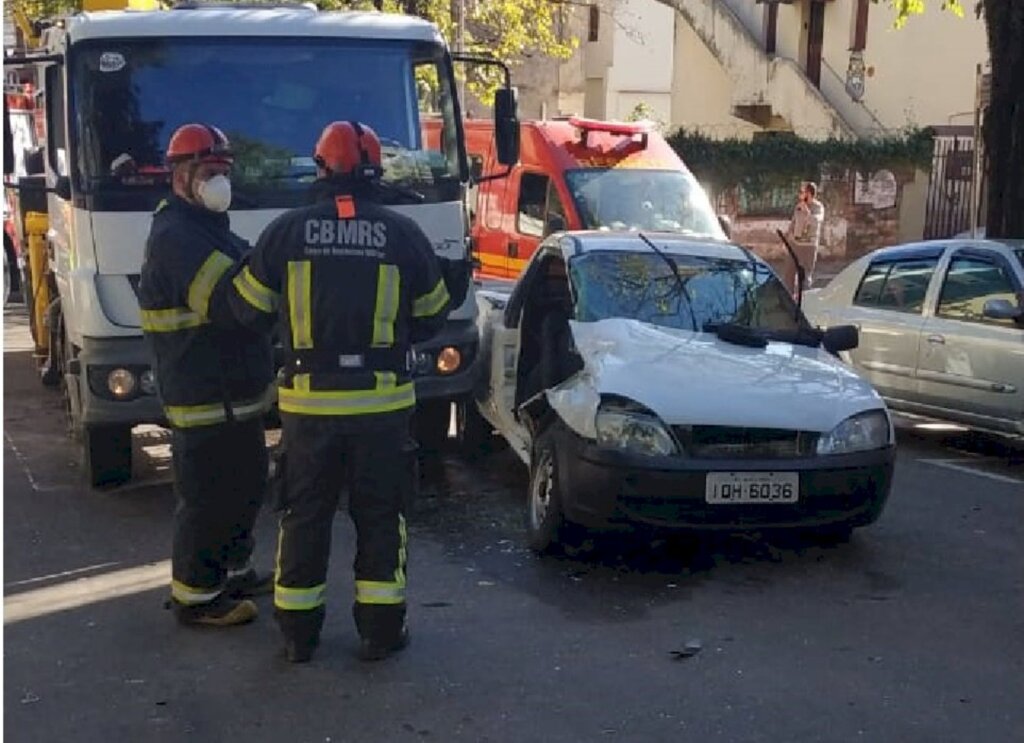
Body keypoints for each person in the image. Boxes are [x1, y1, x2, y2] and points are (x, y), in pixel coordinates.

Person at [227, 121, 451, 663]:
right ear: (375, 170)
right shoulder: (402, 234)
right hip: (383, 409)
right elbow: (432, 314)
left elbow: (245, 310)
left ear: (321, 168)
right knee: (381, 519)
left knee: (304, 519)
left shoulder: (287, 231)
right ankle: (379, 633)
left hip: (309, 409)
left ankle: (298, 637)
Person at [138, 123, 275, 627]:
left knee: (245, 486)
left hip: (231, 392)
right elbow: (228, 303)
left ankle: (233, 571)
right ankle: (196, 597)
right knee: (208, 498)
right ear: (180, 174)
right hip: (201, 391)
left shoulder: (205, 228)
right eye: (209, 171)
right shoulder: (178, 236)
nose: (219, 180)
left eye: (223, 170)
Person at [783, 181, 825, 294]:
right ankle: (789, 300)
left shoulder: (818, 207)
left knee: (805, 277)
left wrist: (806, 210)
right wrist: (788, 235)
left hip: (808, 247)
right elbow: (794, 221)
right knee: (788, 274)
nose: (799, 194)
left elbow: (816, 221)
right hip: (795, 244)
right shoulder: (799, 206)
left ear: (809, 194)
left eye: (802, 192)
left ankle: (804, 301)